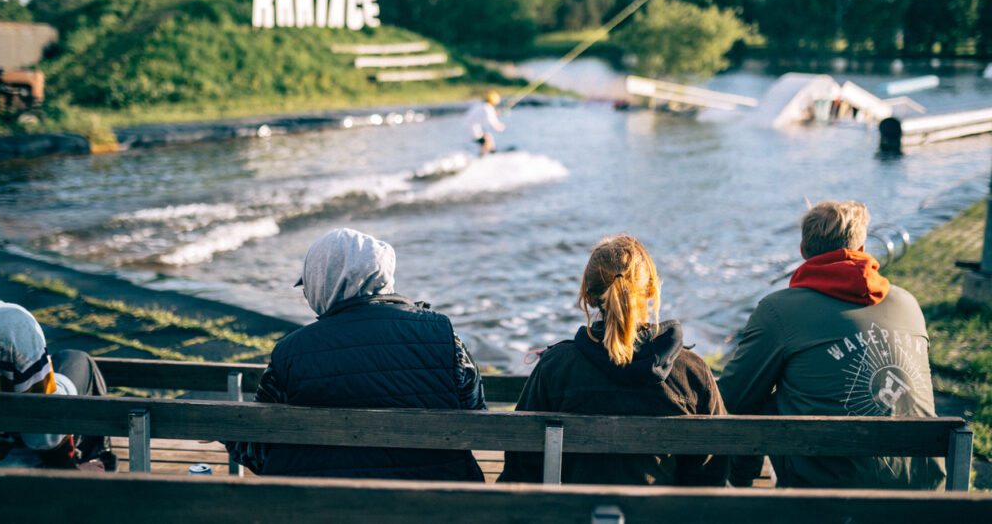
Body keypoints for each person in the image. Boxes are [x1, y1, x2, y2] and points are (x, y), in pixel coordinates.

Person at [226, 227, 487, 480]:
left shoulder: (290, 352)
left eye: (308, 284)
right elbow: (476, 422)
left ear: (325, 283)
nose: (307, 294)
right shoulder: (443, 335)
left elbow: (258, 454)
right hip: (442, 503)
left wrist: (226, 431)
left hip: (315, 507)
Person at [717, 200, 945, 489]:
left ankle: (740, 490)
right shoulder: (907, 302)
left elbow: (732, 398)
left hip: (824, 493)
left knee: (759, 396)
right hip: (923, 489)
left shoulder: (779, 310)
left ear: (803, 251)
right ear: (862, 249)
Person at [498, 234, 727, 485]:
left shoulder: (556, 367)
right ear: (651, 289)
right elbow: (712, 469)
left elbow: (521, 463)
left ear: (589, 297)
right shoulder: (691, 371)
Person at [0, 182, 115, 470]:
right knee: (77, 361)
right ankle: (85, 478)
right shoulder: (7, 325)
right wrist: (66, 471)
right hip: (9, 486)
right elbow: (44, 436)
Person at [463, 90, 506, 156]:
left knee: (488, 137)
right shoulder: (487, 108)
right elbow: (492, 121)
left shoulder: (482, 105)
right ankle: (482, 157)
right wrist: (499, 126)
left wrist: (495, 114)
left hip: (470, 126)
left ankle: (493, 152)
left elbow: (487, 116)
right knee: (485, 141)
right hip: (471, 128)